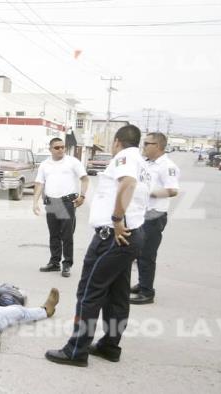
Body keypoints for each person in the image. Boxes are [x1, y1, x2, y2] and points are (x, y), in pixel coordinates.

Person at [45, 125, 149, 367]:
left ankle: (76, 350)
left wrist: (116, 219)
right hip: (131, 235)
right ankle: (110, 346)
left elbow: (128, 184)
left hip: (113, 236)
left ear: (117, 142)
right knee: (117, 295)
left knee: (89, 293)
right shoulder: (142, 162)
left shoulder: (125, 157)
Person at [130, 132, 180, 305]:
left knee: (146, 255)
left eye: (147, 143)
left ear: (158, 146)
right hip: (140, 213)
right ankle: (143, 283)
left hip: (154, 215)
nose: (143, 146)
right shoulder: (145, 163)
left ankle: (147, 292)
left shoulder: (167, 166)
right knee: (138, 253)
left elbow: (172, 190)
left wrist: (149, 193)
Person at [34, 138, 90, 278]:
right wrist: (35, 202)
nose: (60, 150)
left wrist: (82, 195)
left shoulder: (72, 162)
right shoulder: (45, 165)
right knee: (54, 234)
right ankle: (54, 262)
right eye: (57, 147)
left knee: (66, 235)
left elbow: (84, 178)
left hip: (67, 202)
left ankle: (67, 264)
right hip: (52, 202)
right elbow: (39, 183)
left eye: (62, 147)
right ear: (50, 149)